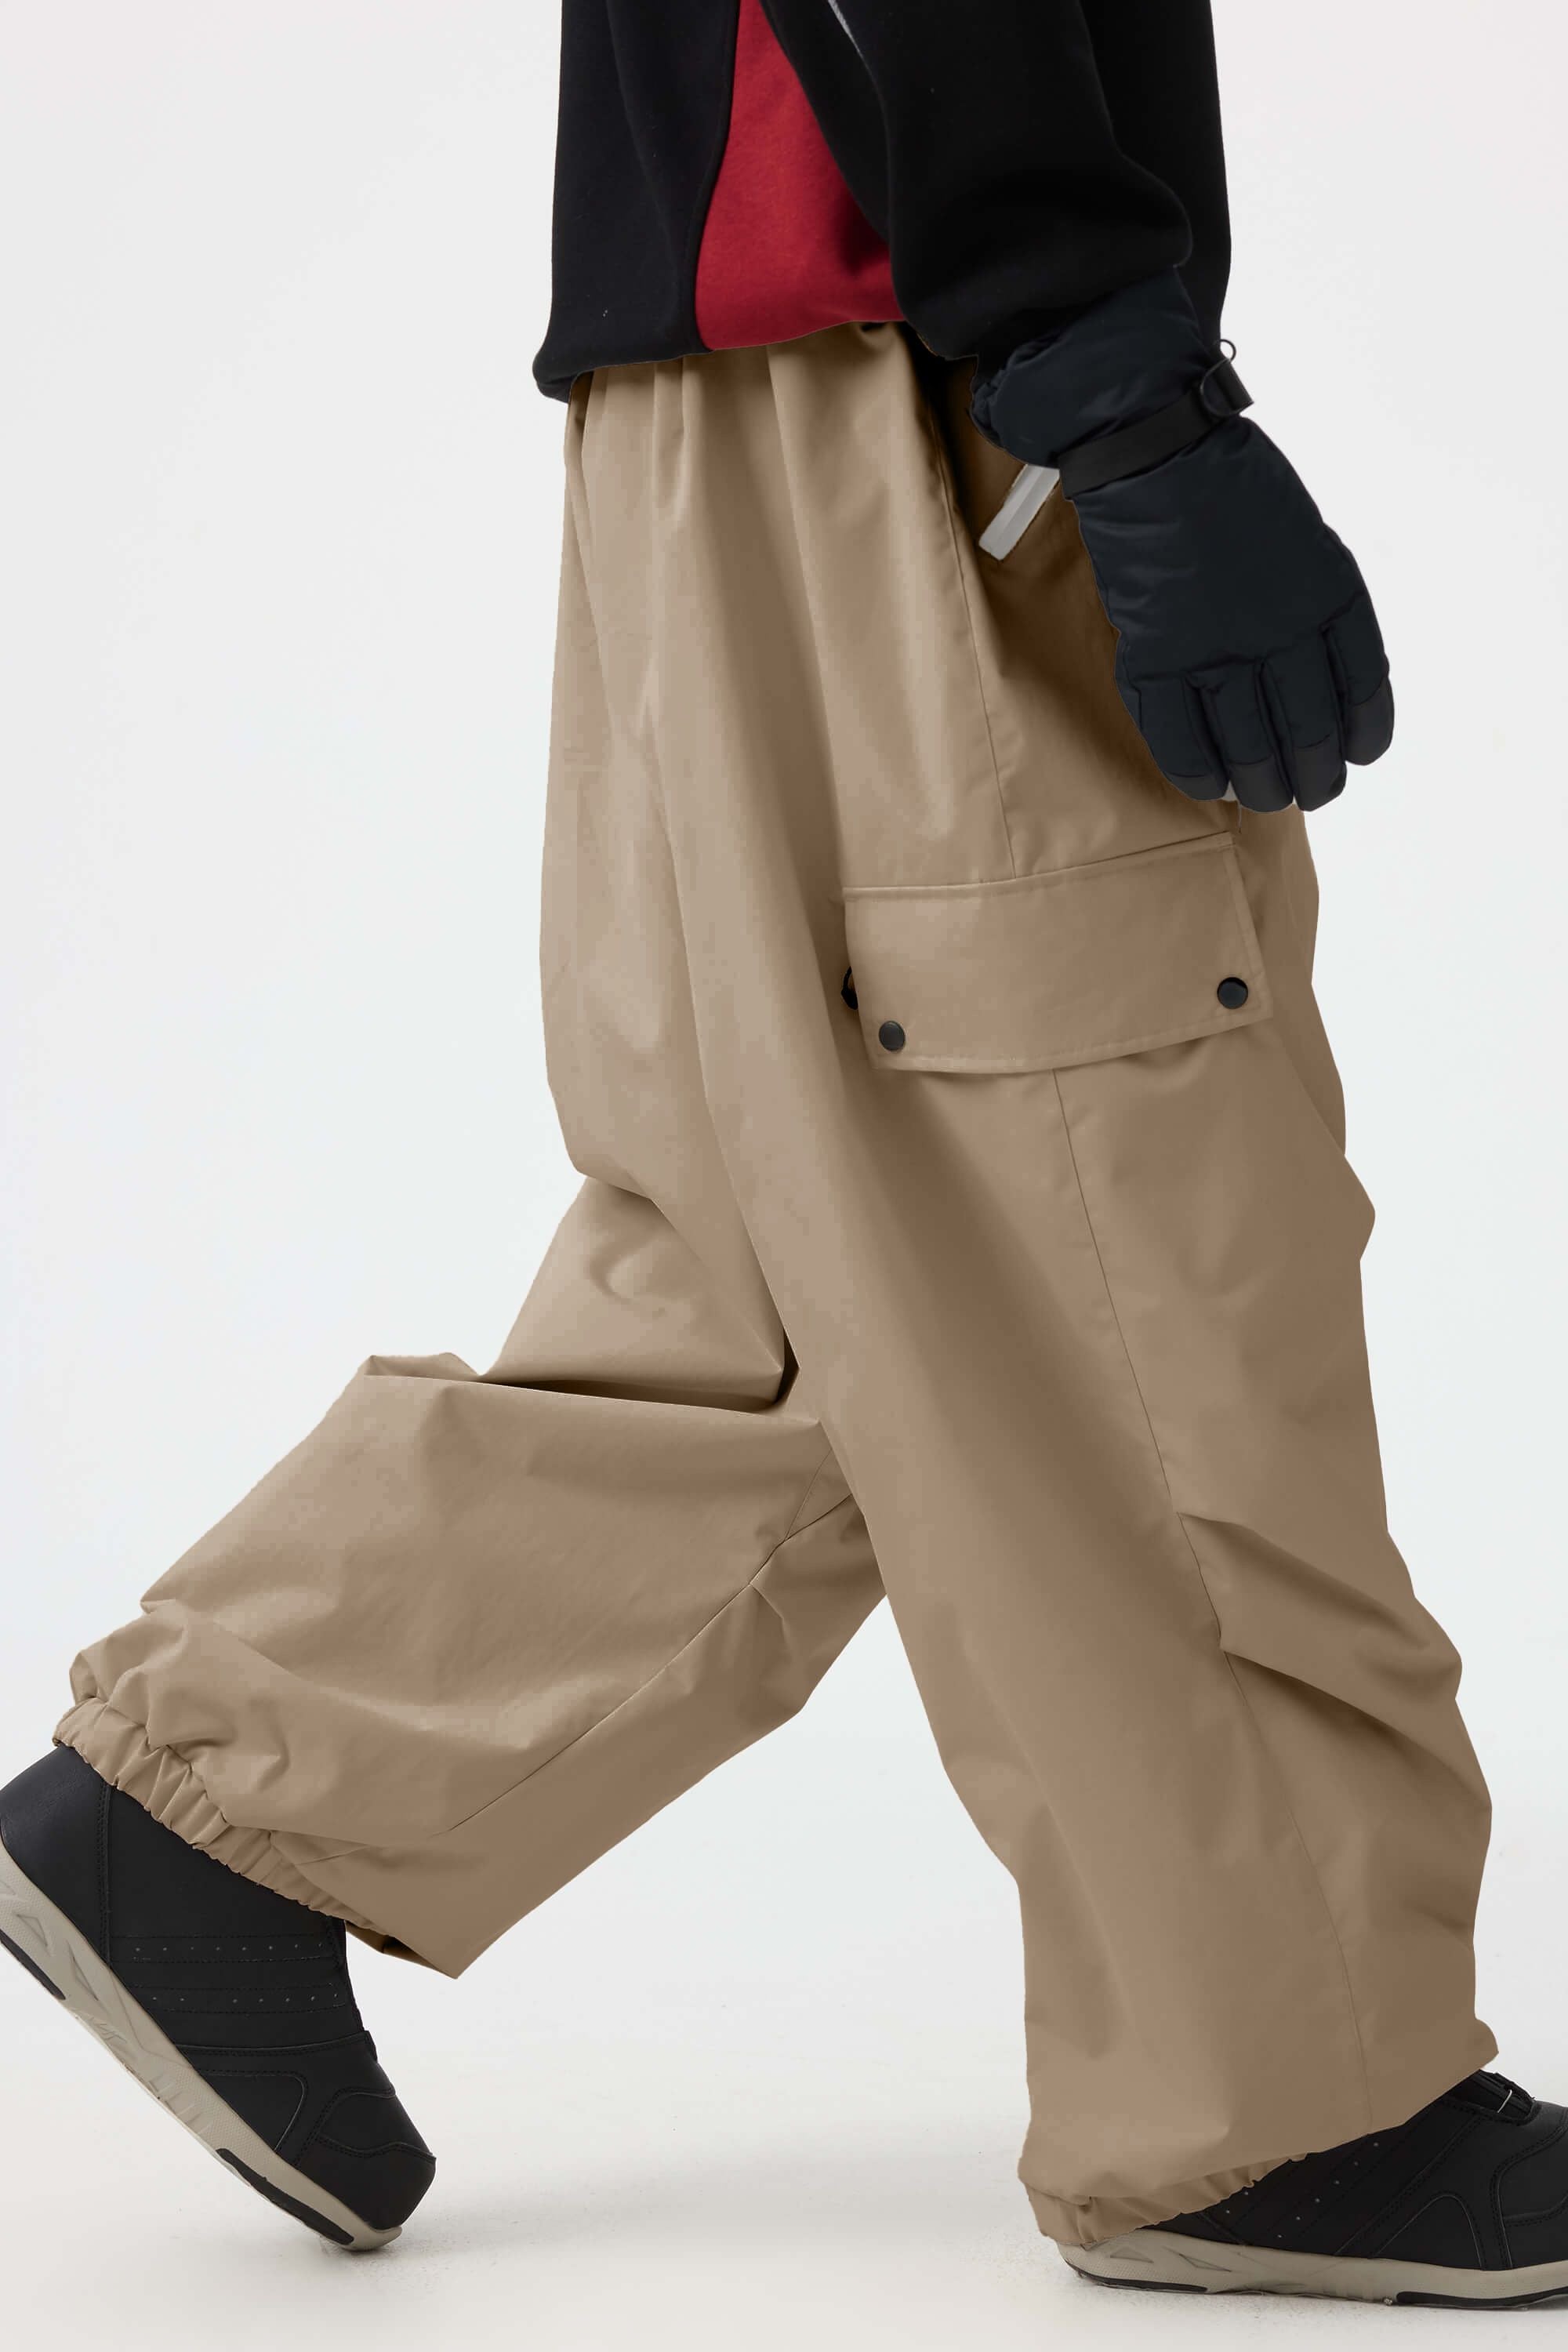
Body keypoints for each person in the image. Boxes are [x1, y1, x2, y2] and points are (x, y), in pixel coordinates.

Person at [1, 0, 1561, 2307]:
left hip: (756, 403)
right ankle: (1290, 2091)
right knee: (1118, 1246)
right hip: (911, 388)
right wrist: (1116, 387)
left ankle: (230, 1817)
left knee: (812, 1258)